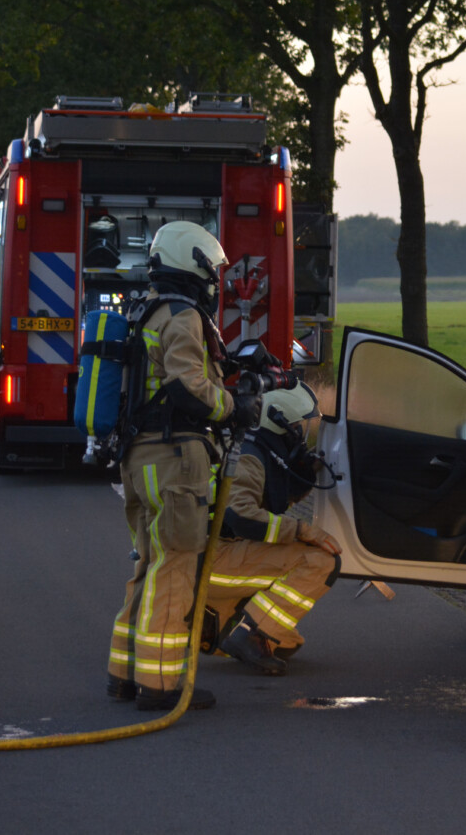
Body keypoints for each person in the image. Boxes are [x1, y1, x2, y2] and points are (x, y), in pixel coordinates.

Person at [105, 222, 237, 712]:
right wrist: (231, 405)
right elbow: (188, 385)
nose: (215, 280)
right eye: (212, 268)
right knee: (175, 564)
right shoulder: (183, 316)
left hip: (141, 455)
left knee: (149, 562)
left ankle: (124, 673)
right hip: (174, 455)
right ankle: (160, 684)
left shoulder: (148, 311)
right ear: (193, 262)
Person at [208, 382, 343, 676]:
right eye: (297, 425)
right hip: (210, 561)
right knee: (318, 561)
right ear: (280, 424)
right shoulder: (247, 458)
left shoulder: (257, 448)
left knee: (287, 643)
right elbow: (241, 517)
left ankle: (240, 629)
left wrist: (306, 473)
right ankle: (249, 634)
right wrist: (302, 531)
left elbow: (270, 497)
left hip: (214, 554)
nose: (301, 431)